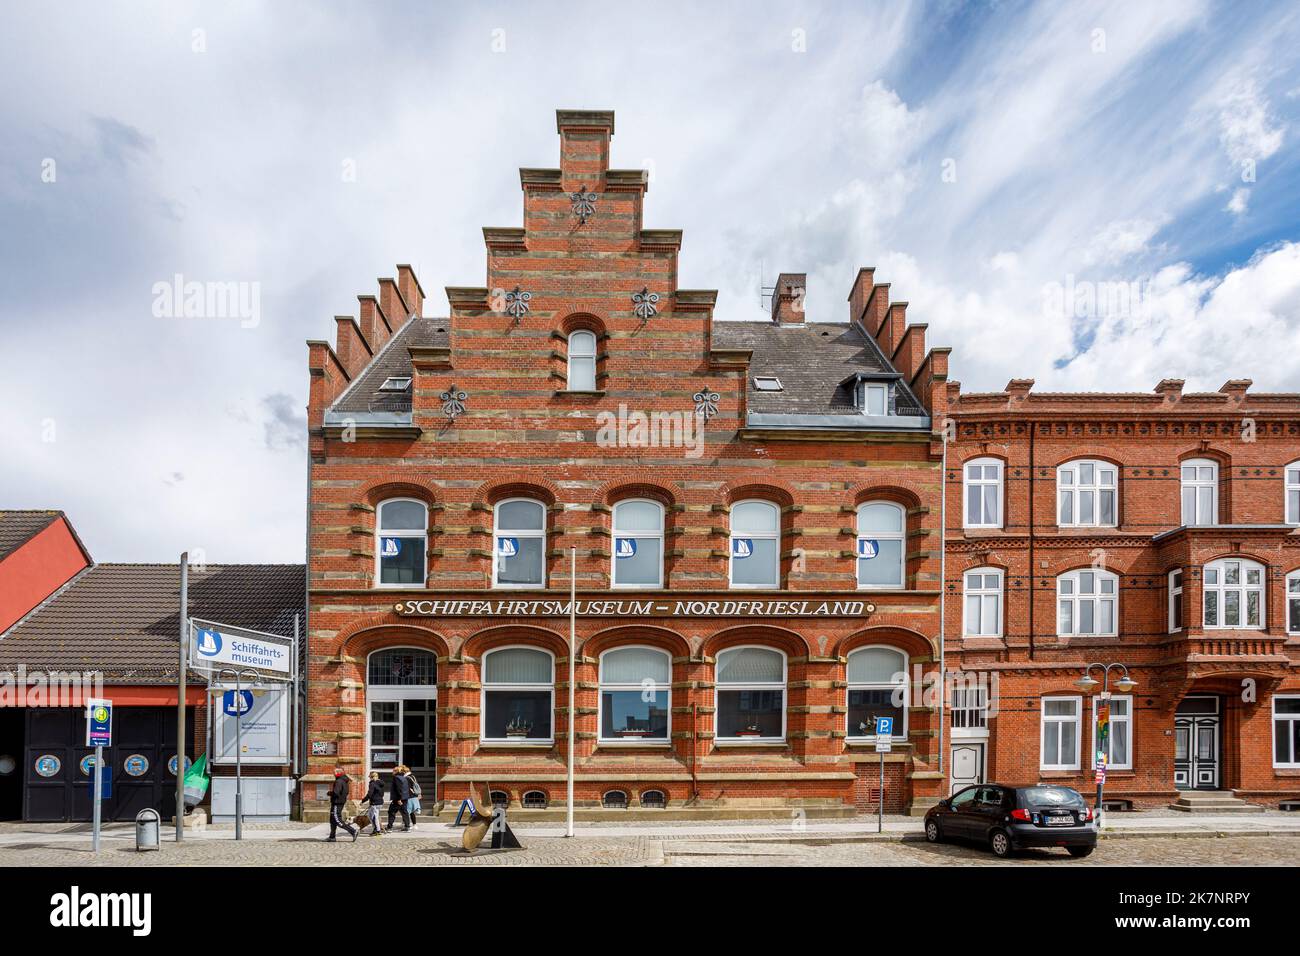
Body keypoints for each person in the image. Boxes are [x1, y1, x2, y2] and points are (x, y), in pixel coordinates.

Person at [327, 767, 358, 842]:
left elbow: (336, 792)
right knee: (332, 820)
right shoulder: (344, 781)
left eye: (334, 772)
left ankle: (353, 831)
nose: (333, 774)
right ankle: (332, 836)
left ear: (338, 773)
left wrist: (330, 793)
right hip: (340, 801)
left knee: (337, 820)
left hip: (337, 802)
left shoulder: (339, 781)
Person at [385, 764, 412, 831]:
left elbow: (399, 789)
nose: (392, 772)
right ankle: (407, 826)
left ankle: (389, 827)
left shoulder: (396, 778)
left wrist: (399, 799)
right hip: (405, 798)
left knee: (391, 812)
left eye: (393, 771)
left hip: (398, 799)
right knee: (404, 812)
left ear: (396, 771)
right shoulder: (404, 777)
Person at [361, 771, 385, 836]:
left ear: (371, 777)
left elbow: (369, 794)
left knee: (375, 817)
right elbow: (382, 793)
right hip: (379, 802)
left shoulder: (372, 784)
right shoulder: (380, 783)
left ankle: (377, 830)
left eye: (369, 777)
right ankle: (375, 828)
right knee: (370, 815)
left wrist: (362, 801)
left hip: (375, 803)